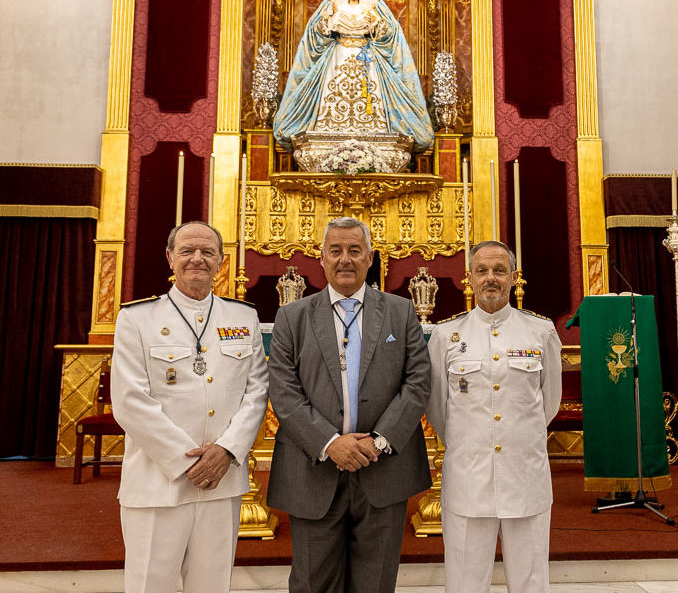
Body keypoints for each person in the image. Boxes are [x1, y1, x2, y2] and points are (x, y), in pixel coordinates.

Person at [267, 216, 432, 593]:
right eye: (336, 251)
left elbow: (418, 380)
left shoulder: (400, 311)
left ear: (370, 257)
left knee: (375, 583)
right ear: (321, 258)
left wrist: (379, 440)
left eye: (354, 250)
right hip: (313, 470)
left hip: (383, 467)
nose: (345, 259)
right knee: (312, 582)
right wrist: (330, 443)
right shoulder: (293, 317)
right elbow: (284, 389)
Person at [111, 221, 268, 593]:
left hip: (222, 481)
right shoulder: (137, 318)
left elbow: (257, 391)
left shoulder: (243, 318)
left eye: (207, 252)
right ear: (170, 258)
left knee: (212, 585)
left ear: (221, 261)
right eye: (187, 251)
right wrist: (188, 461)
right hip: (156, 483)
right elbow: (130, 401)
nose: (197, 259)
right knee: (150, 584)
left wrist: (226, 451)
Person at [426, 240, 563, 593]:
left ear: (514, 278)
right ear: (467, 278)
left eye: (500, 271)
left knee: (531, 580)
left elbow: (548, 403)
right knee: (465, 581)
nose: (491, 278)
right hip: (468, 478)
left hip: (525, 474)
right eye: (482, 270)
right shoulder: (445, 336)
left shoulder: (540, 331)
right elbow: (438, 408)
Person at [273, 0, 433, 154]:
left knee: (370, 94)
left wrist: (377, 24)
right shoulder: (332, 7)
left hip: (366, 58)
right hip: (338, 56)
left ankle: (371, 129)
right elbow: (316, 34)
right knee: (334, 92)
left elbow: (390, 34)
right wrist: (327, 23)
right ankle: (330, 127)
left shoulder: (374, 9)